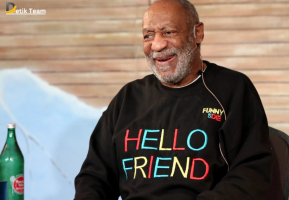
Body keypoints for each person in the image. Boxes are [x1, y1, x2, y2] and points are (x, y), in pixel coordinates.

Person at [74, 0, 274, 199]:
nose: (157, 45)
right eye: (148, 35)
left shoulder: (233, 89)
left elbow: (252, 174)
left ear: (198, 33)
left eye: (168, 32)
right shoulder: (128, 97)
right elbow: (94, 177)